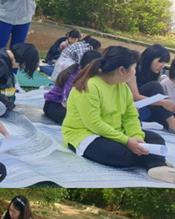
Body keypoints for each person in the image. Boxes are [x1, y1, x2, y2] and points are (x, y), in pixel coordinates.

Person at [61, 46, 175, 183]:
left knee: (155, 138)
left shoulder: (122, 87)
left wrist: (136, 136)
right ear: (121, 70)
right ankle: (153, 160)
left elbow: (130, 116)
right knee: (120, 155)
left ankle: (156, 165)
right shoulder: (90, 86)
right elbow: (93, 123)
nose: (135, 72)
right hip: (86, 134)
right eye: (134, 68)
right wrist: (126, 141)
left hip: (115, 131)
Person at [43, 49, 100, 125]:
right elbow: (67, 100)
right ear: (89, 66)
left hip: (70, 106)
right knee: (79, 119)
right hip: (55, 105)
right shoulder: (73, 76)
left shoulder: (89, 76)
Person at [129, 44, 175, 131]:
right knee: (155, 86)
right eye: (160, 61)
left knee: (162, 117)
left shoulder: (153, 73)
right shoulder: (134, 69)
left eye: (165, 63)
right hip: (131, 103)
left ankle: (171, 123)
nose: (162, 65)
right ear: (150, 58)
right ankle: (172, 123)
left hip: (144, 108)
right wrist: (163, 102)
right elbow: (135, 96)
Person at [0, 43, 40, 111]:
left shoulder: (1, 56)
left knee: (12, 78)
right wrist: (8, 103)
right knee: (1, 108)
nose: (18, 67)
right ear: (20, 58)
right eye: (21, 65)